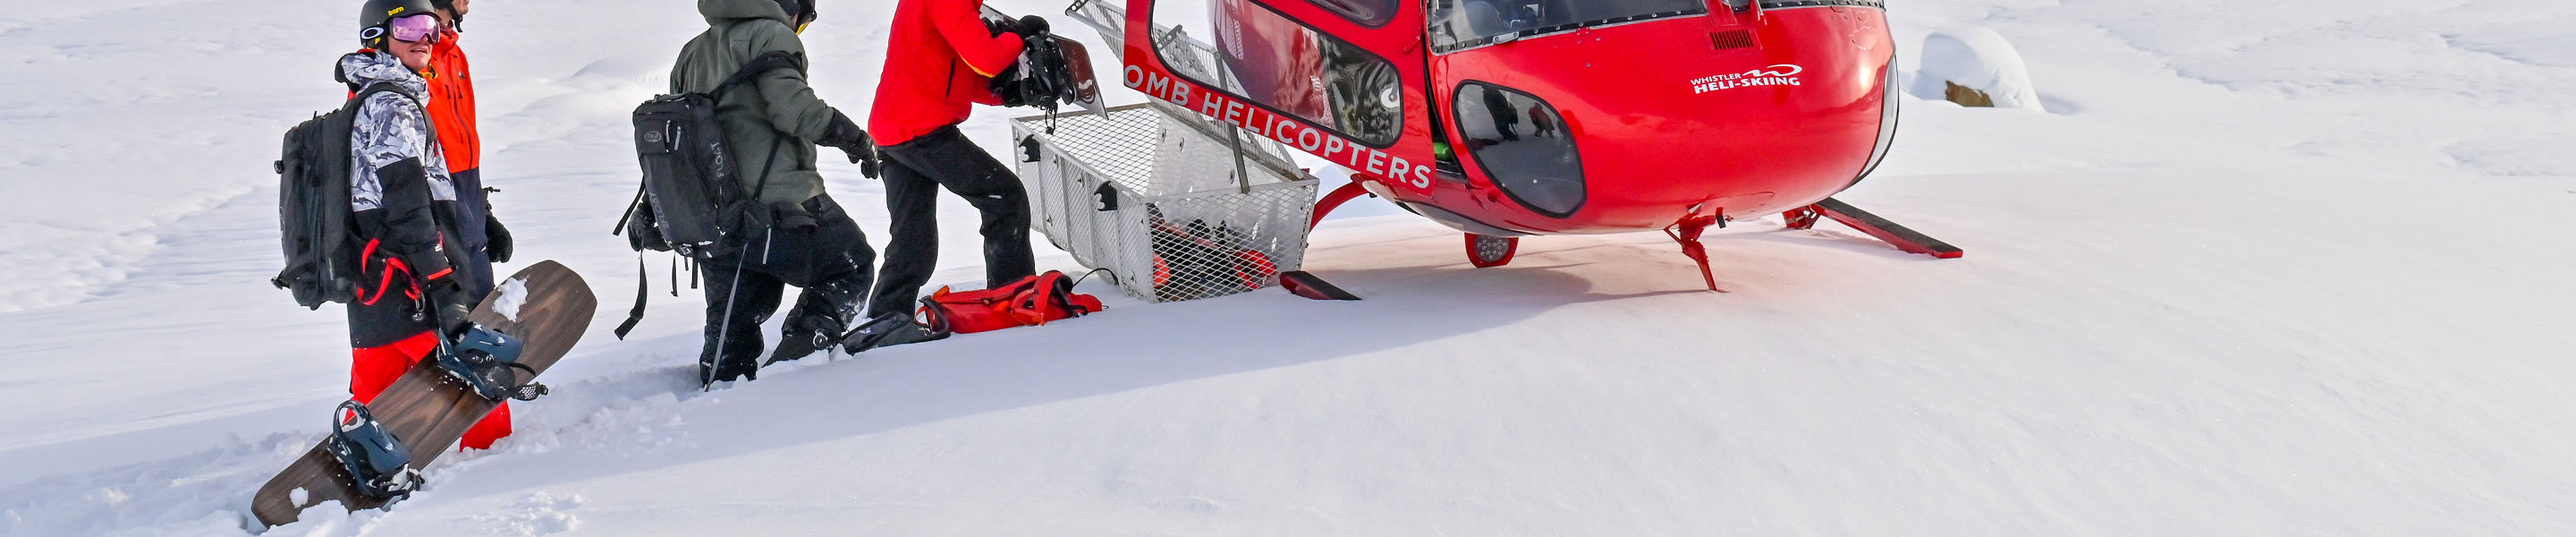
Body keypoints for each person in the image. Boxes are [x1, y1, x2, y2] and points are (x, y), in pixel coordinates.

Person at [671, 0, 883, 382]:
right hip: (779, 205)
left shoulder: (691, 52)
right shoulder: (771, 34)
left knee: (734, 323)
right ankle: (795, 369)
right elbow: (795, 111)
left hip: (717, 218)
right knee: (851, 264)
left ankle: (720, 389)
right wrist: (855, 139)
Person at [339, 0, 508, 448]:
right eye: (411, 27)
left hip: (373, 282)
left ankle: (360, 460)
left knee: (375, 401)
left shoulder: (368, 94)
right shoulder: (395, 105)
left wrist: (480, 215)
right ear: (377, 35)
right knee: (482, 392)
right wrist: (440, 281)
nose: (426, 38)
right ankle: (490, 472)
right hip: (410, 279)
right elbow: (410, 203)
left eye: (431, 28)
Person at [846, 0, 1046, 352]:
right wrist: (1017, 37)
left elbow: (949, 72)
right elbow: (985, 58)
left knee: (913, 238)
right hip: (922, 128)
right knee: (1004, 196)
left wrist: (1007, 96)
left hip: (894, 130)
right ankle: (1013, 299)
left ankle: (886, 318)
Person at [421, 0, 511, 298]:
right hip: (431, 223)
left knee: (484, 320)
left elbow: (460, 150)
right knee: (449, 329)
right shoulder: (408, 58)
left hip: (467, 206)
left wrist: (482, 218)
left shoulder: (454, 55)